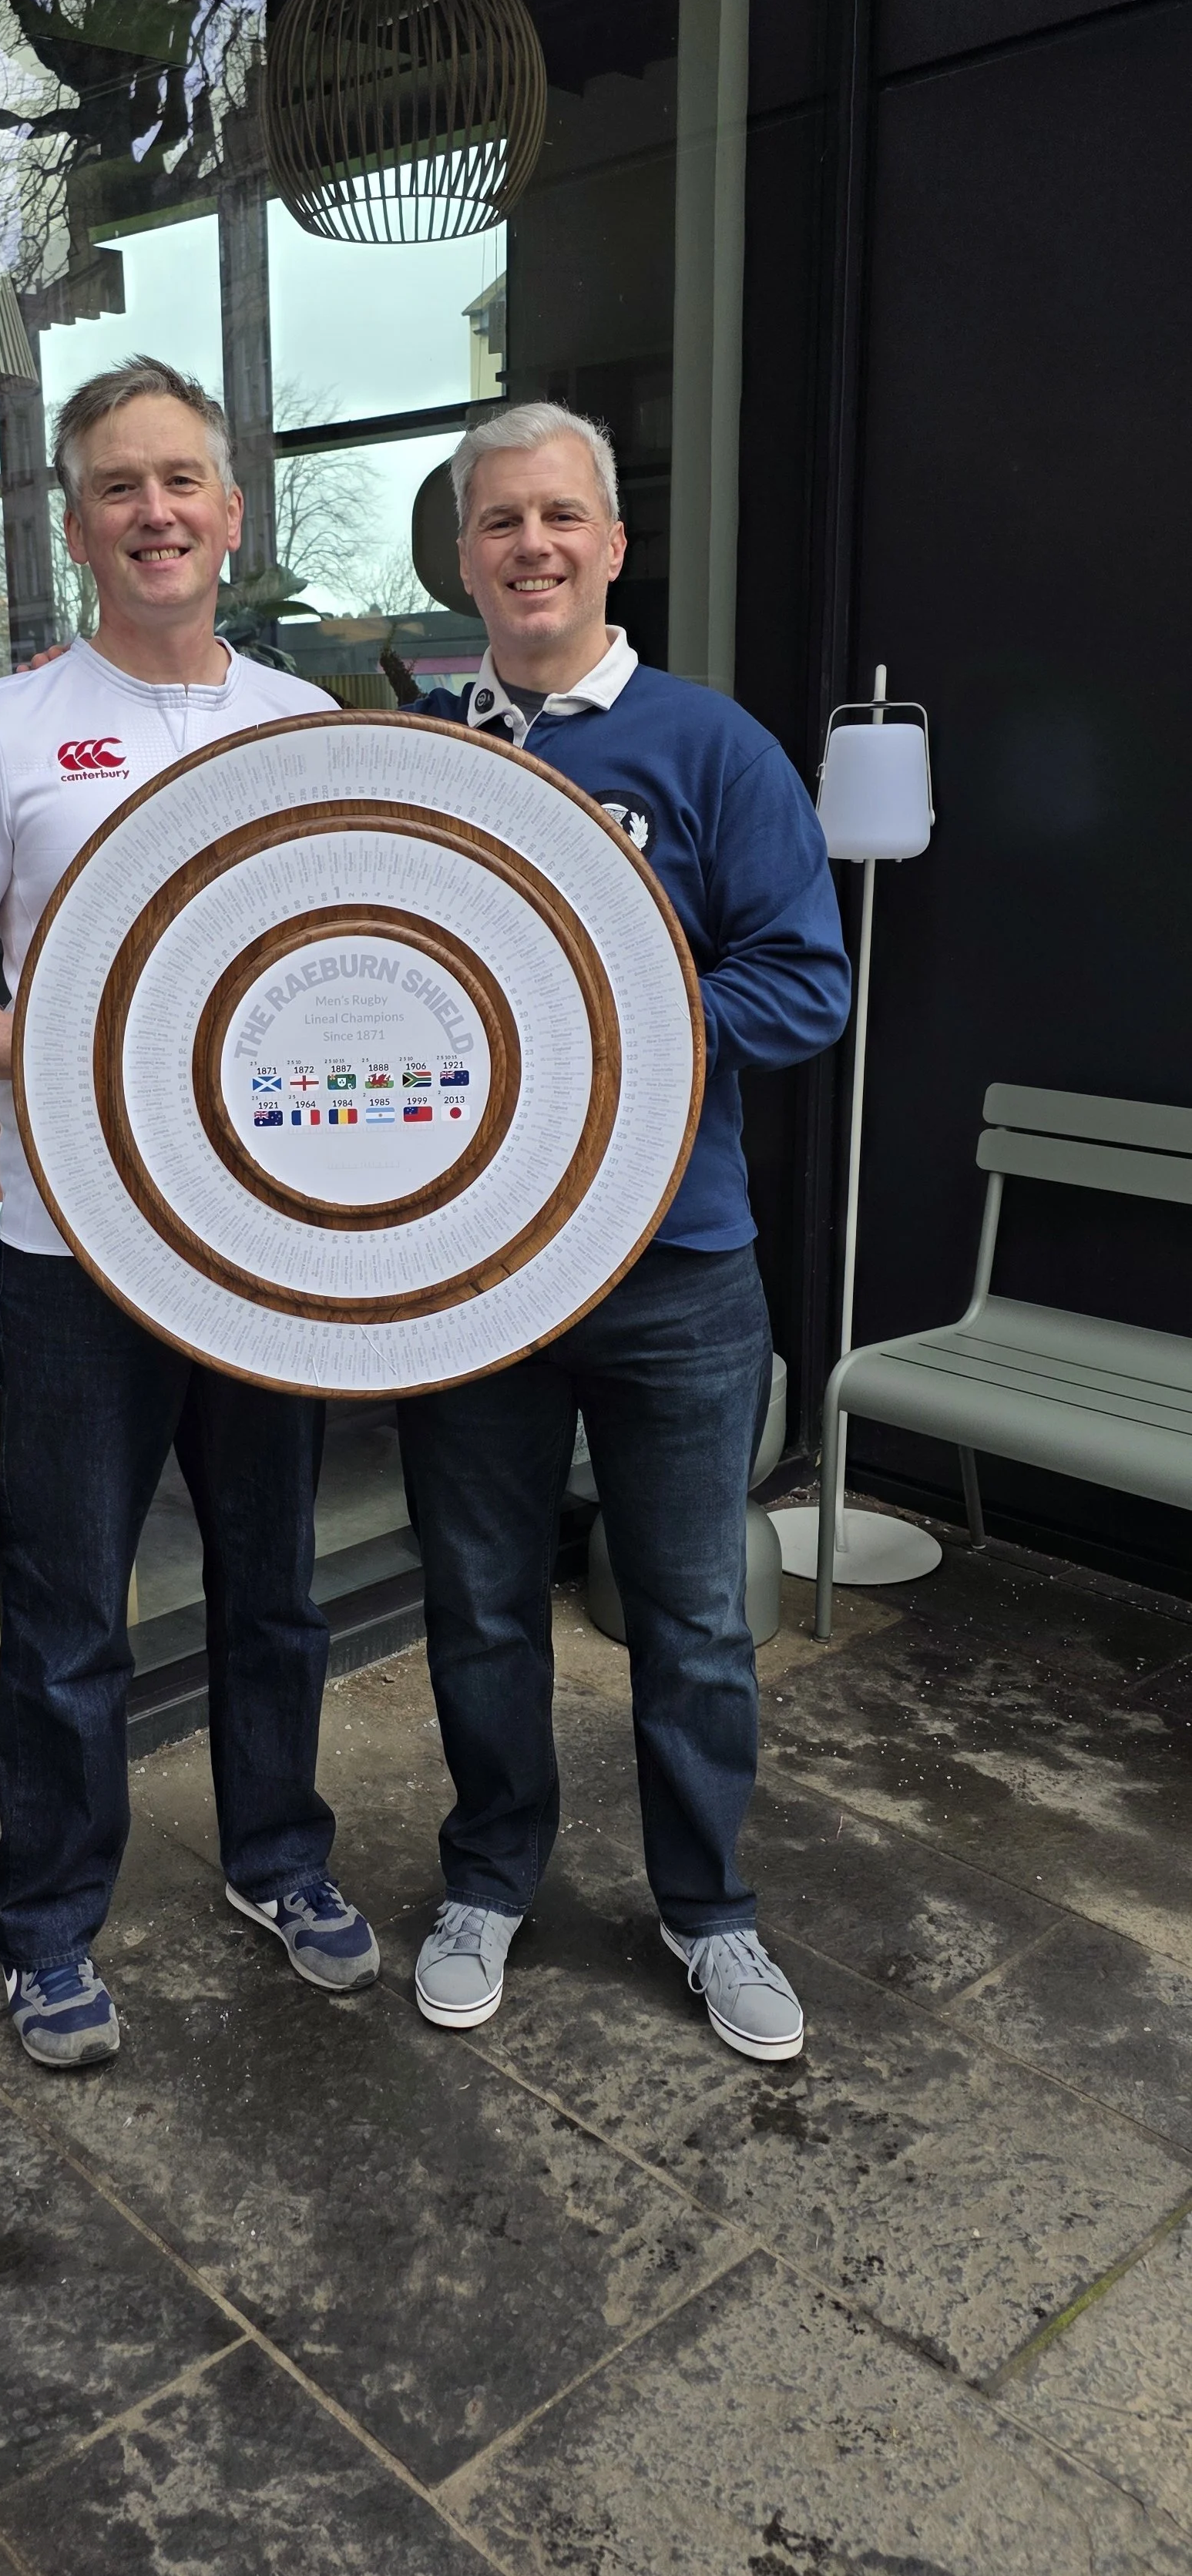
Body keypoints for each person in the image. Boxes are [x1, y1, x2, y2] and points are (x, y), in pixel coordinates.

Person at [0, 356, 378, 2069]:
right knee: (72, 1612)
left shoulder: (306, 726)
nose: (153, 511)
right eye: (116, 485)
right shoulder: (4, 733)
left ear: (232, 516)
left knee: (277, 1590)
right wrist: (102, 1048)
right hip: (77, 1256)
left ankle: (275, 1858)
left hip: (263, 1251)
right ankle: (47, 1924)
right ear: (76, 524)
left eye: (181, 481)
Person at [400, 401, 849, 2061]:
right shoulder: (426, 761)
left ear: (611, 543)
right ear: (466, 556)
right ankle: (488, 1876)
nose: (531, 545)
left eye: (560, 516)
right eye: (499, 520)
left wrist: (615, 1021)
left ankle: (711, 1909)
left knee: (693, 1617)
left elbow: (808, 982)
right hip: (472, 1280)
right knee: (483, 1604)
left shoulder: (712, 746)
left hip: (675, 1267)